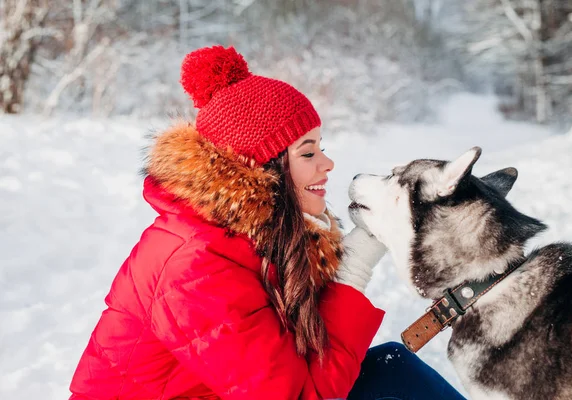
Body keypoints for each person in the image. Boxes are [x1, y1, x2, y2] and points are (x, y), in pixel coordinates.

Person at [69, 45, 465, 400]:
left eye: (321, 148)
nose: (327, 164)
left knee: (391, 369)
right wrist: (355, 266)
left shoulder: (253, 235)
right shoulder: (194, 268)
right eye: (307, 153)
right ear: (261, 169)